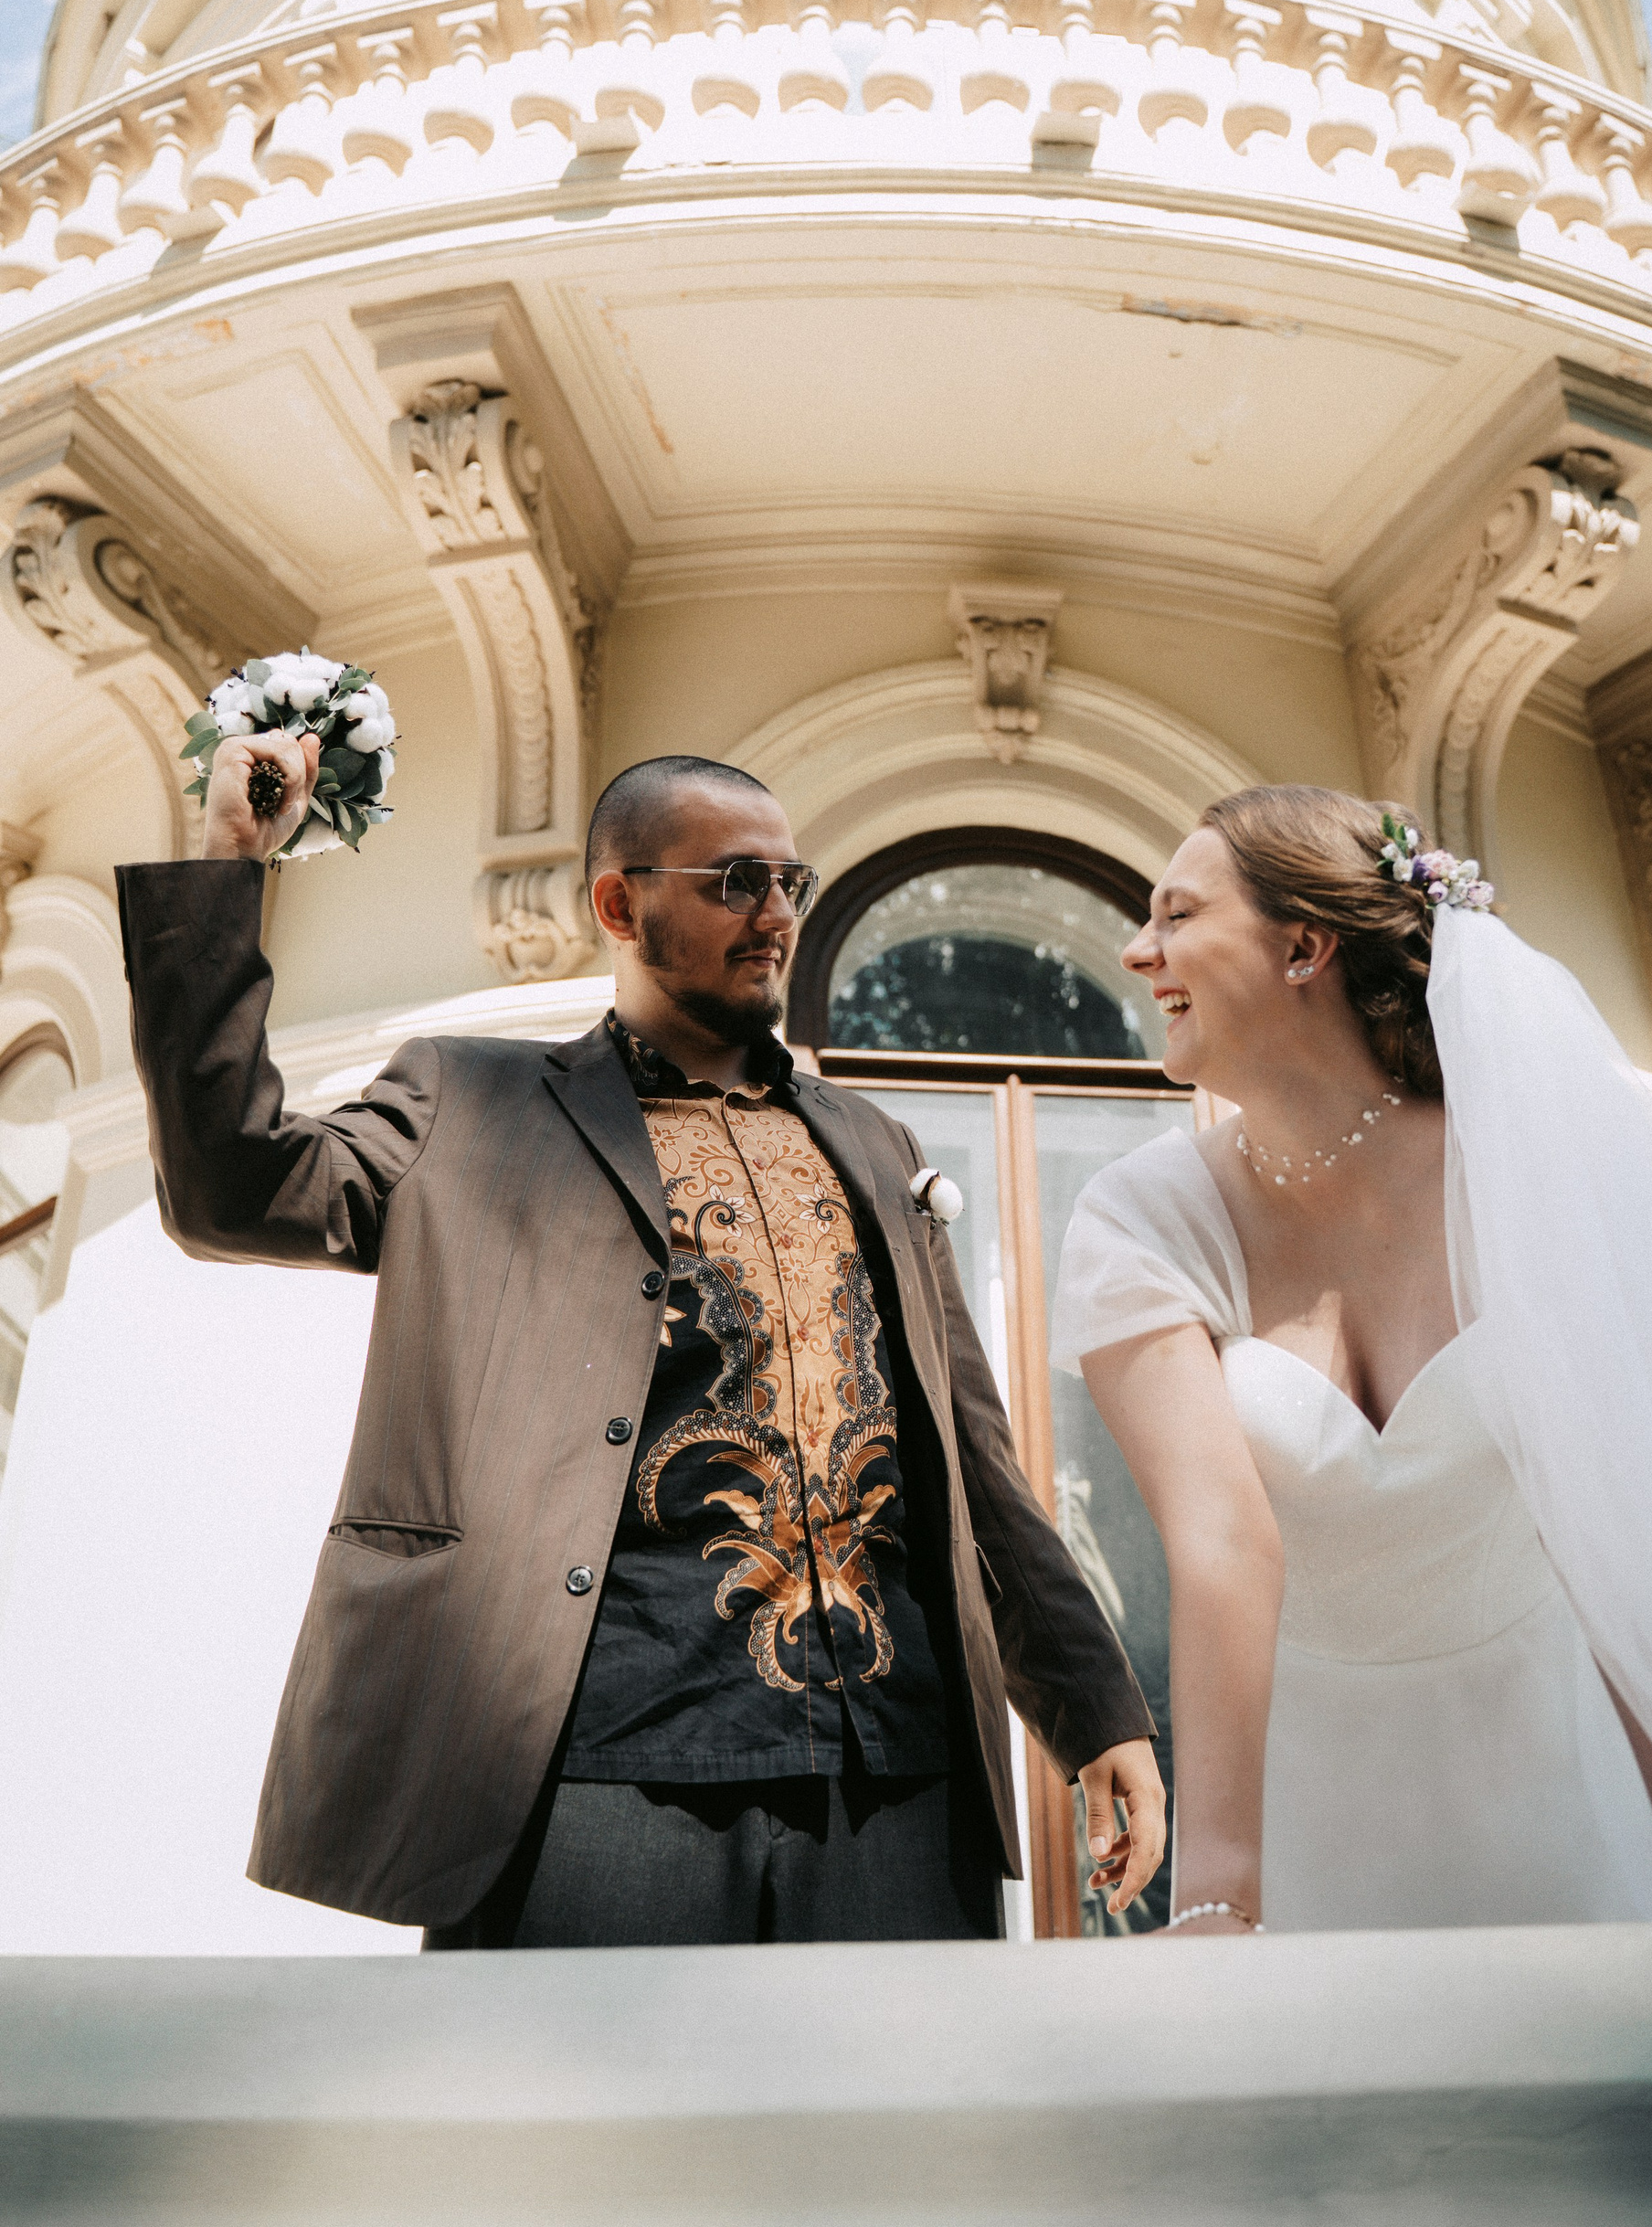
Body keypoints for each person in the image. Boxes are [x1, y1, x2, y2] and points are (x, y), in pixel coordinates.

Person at [118, 741, 1160, 1946]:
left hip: (896, 1771)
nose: (777, 915)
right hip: (595, 1768)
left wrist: (1096, 1710)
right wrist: (227, 865)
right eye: (736, 882)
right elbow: (231, 1188)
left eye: (791, 883)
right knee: (569, 2085)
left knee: (899, 2084)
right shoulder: (471, 1101)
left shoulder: (875, 1142)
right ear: (621, 905)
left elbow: (974, 1458)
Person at [1053, 783, 1652, 1937]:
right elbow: (1222, 1541)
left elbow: (1619, 1520)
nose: (1137, 951)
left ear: (1304, 948)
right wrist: (1220, 1896)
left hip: (1567, 1763)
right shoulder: (1138, 1220)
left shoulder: (1524, 1176)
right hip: (1302, 1791)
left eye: (1177, 915)